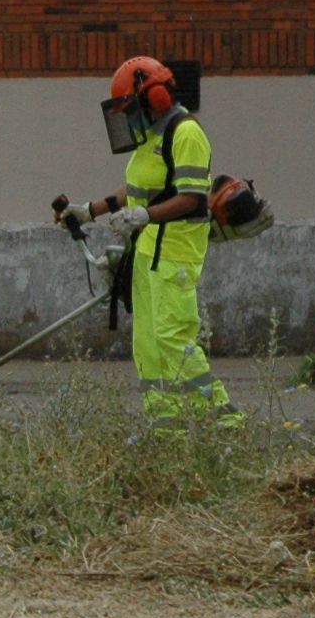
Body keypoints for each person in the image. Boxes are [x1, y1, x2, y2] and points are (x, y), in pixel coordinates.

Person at [64, 55, 238, 425]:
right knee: (148, 345)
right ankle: (167, 429)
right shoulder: (152, 137)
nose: (128, 119)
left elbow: (191, 197)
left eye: (131, 108)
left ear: (155, 97)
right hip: (148, 254)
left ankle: (226, 423)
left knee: (175, 340)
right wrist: (89, 210)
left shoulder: (186, 133)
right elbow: (137, 189)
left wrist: (145, 216)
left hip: (176, 254)